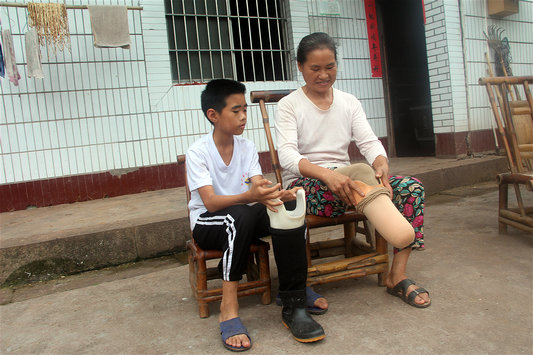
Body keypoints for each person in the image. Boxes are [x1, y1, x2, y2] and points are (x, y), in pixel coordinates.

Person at [275, 32, 431, 309]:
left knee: (411, 188)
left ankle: (397, 275)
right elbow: (286, 155)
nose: (324, 75)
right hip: (309, 185)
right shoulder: (290, 105)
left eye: (330, 67)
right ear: (300, 66)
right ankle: (378, 200)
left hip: (351, 182)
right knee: (359, 174)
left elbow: (369, 142)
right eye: (315, 68)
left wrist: (381, 164)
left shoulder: (348, 101)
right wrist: (327, 175)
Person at [186, 79, 325, 352]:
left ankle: (293, 294)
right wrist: (251, 197)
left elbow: (257, 186)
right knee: (237, 217)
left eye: (245, 110)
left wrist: (275, 194)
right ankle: (229, 307)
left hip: (242, 216)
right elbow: (211, 203)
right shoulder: (198, 152)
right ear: (213, 115)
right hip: (208, 222)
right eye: (236, 111)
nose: (243, 117)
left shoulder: (247, 147)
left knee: (286, 213)